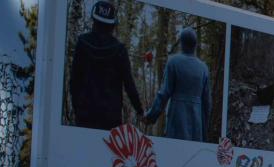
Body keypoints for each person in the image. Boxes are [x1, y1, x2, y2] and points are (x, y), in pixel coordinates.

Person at [69, 0, 143, 130]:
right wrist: (140, 110)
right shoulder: (119, 50)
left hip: (85, 116)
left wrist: (77, 109)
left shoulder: (82, 43)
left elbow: (74, 81)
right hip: (111, 119)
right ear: (112, 25)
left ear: (94, 21)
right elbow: (129, 84)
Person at [144, 28, 212, 142]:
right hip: (196, 125)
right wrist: (204, 131)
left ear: (181, 43)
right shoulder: (204, 68)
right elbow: (207, 103)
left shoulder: (173, 62)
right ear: (195, 44)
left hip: (177, 119)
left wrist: (151, 116)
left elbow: (164, 93)